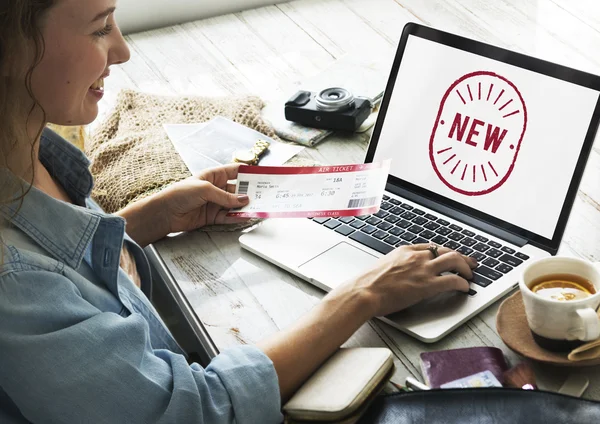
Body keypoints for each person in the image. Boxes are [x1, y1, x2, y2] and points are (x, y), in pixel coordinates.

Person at [0, 1, 477, 423]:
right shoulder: (14, 286)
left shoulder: (29, 148)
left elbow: (66, 267)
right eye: (100, 28)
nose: (122, 50)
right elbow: (198, 411)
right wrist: (361, 295)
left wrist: (148, 219)